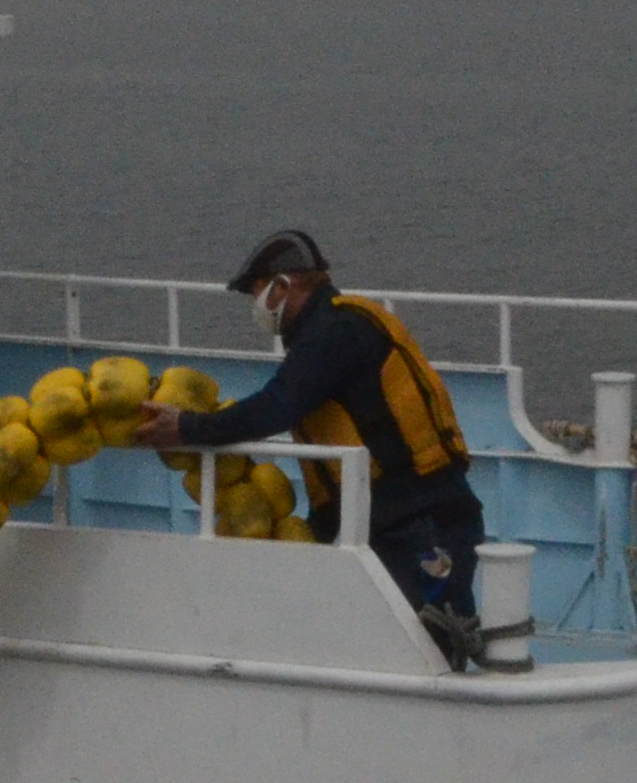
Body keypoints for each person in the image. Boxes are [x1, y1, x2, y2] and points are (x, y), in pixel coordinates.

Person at [139, 227, 488, 659]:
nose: (256, 306)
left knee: (427, 647)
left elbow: (278, 405)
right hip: (395, 513)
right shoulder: (334, 326)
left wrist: (189, 428)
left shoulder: (335, 332)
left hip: (416, 519)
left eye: (257, 292)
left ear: (286, 285)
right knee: (401, 642)